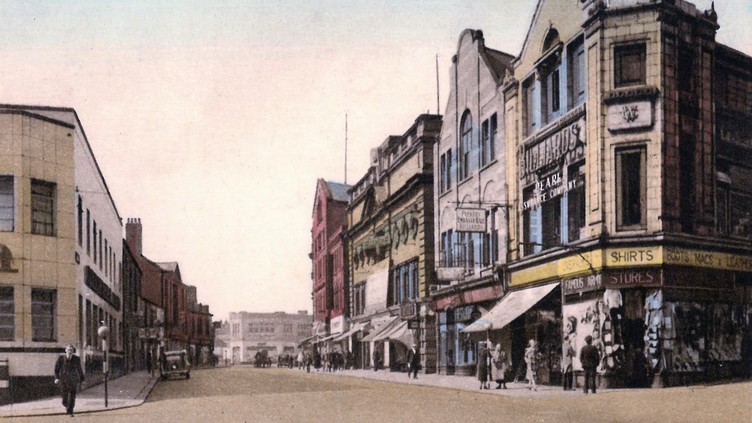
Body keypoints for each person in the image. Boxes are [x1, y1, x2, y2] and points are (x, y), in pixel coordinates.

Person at [54, 344, 85, 416]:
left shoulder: (76, 359)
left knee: (72, 397)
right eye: (68, 350)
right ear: (65, 351)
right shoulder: (61, 359)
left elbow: (79, 369)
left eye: (71, 350)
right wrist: (56, 378)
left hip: (73, 380)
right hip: (63, 380)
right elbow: (56, 369)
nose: (69, 352)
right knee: (64, 398)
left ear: (73, 351)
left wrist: (82, 379)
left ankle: (70, 411)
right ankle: (66, 405)